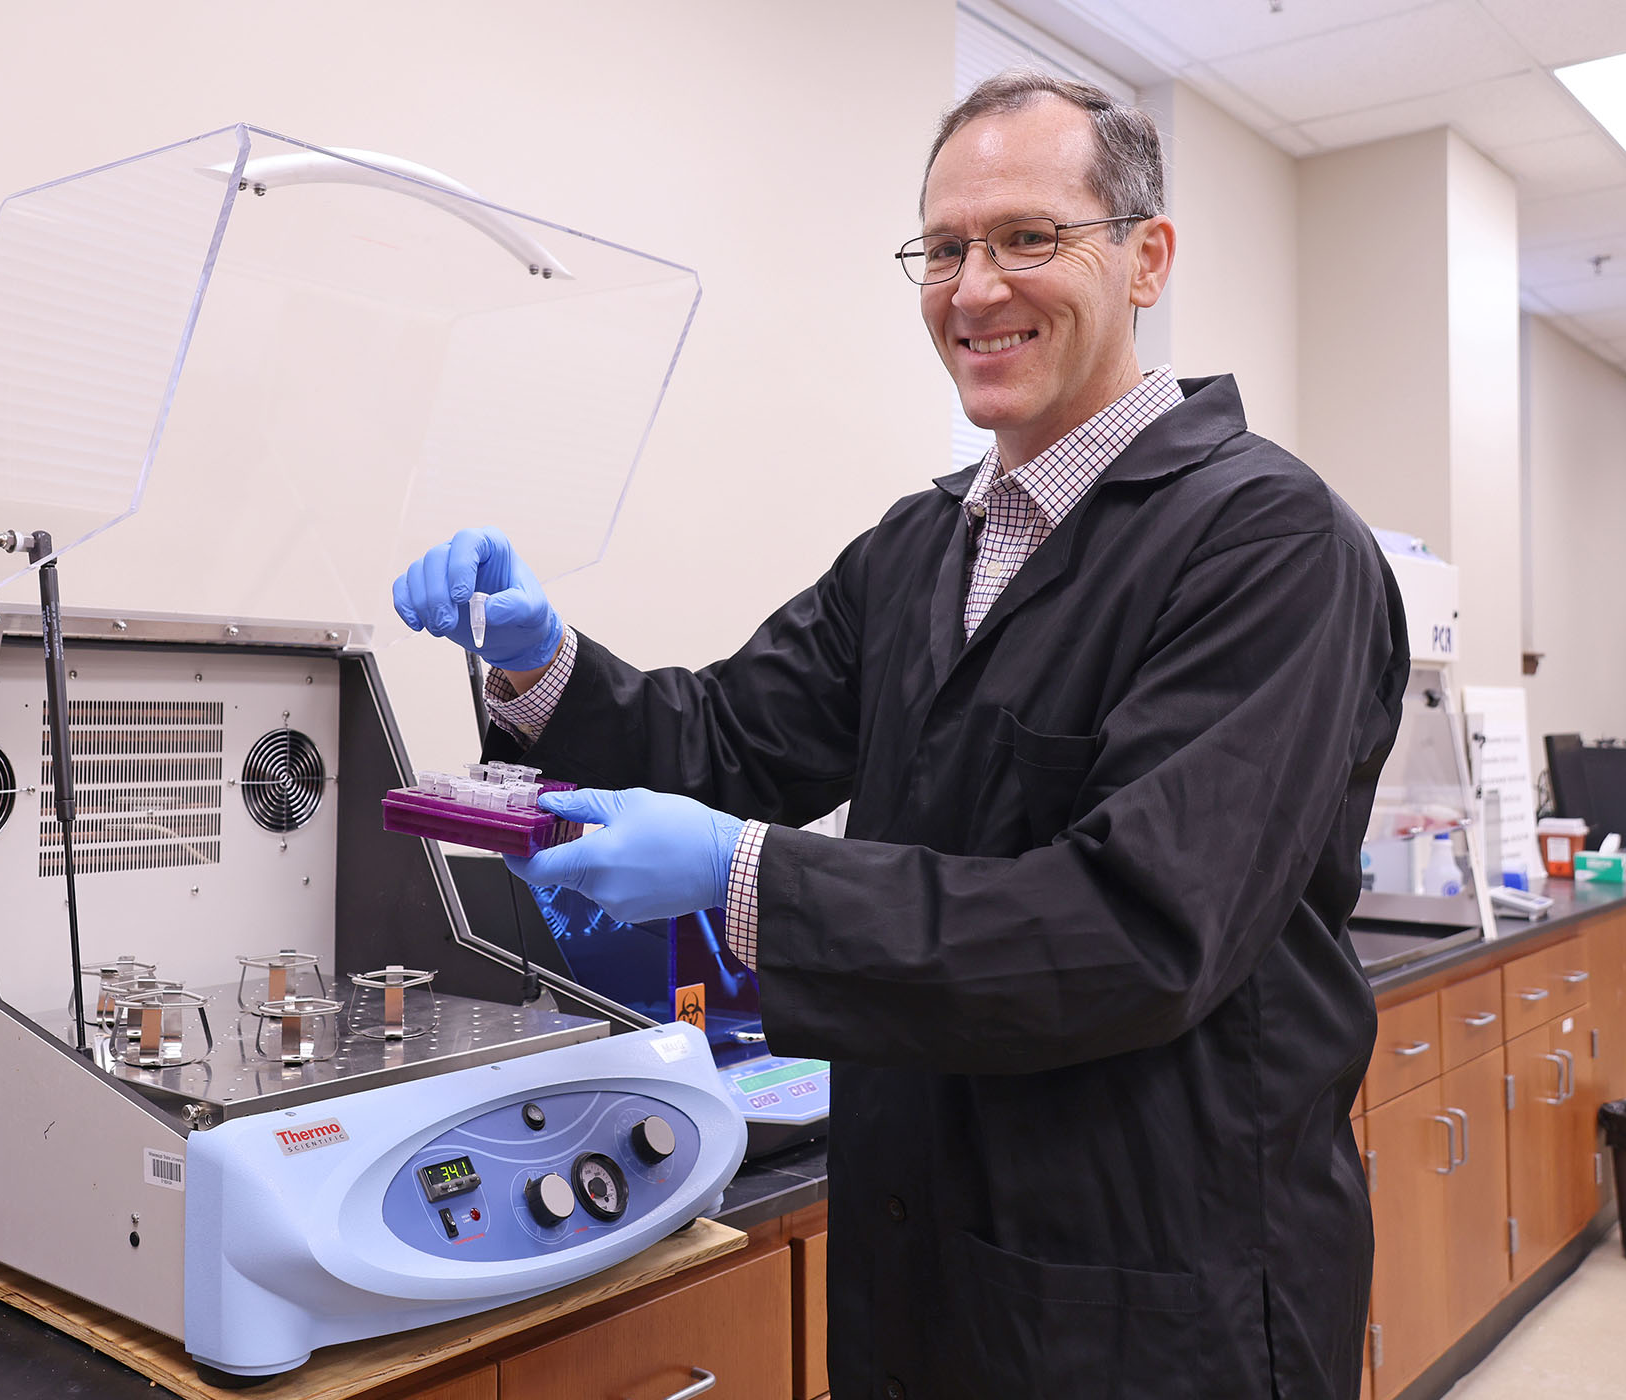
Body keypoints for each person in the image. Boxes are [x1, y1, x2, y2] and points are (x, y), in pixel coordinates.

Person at [393, 69, 1407, 1399]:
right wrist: (538, 664)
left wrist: (734, 875)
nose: (976, 288)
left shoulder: (1269, 546)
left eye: (1029, 238)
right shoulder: (921, 548)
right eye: (945, 248)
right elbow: (722, 743)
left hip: (1161, 1280)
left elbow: (1134, 928)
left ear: (1147, 258)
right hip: (923, 1254)